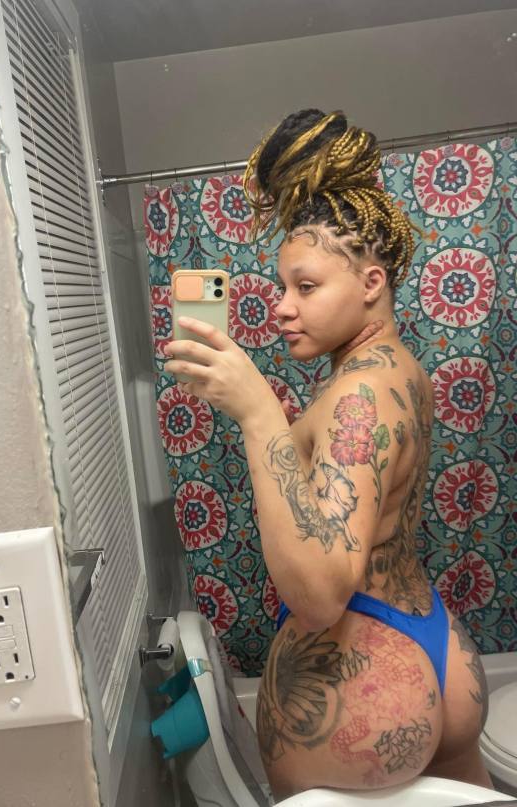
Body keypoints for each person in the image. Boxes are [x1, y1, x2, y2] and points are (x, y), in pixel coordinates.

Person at [163, 109, 490, 800]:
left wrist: (258, 413)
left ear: (370, 283)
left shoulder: (358, 395)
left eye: (305, 287)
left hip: (361, 681)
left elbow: (318, 595)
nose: (282, 307)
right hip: (432, 644)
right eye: (284, 287)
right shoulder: (396, 369)